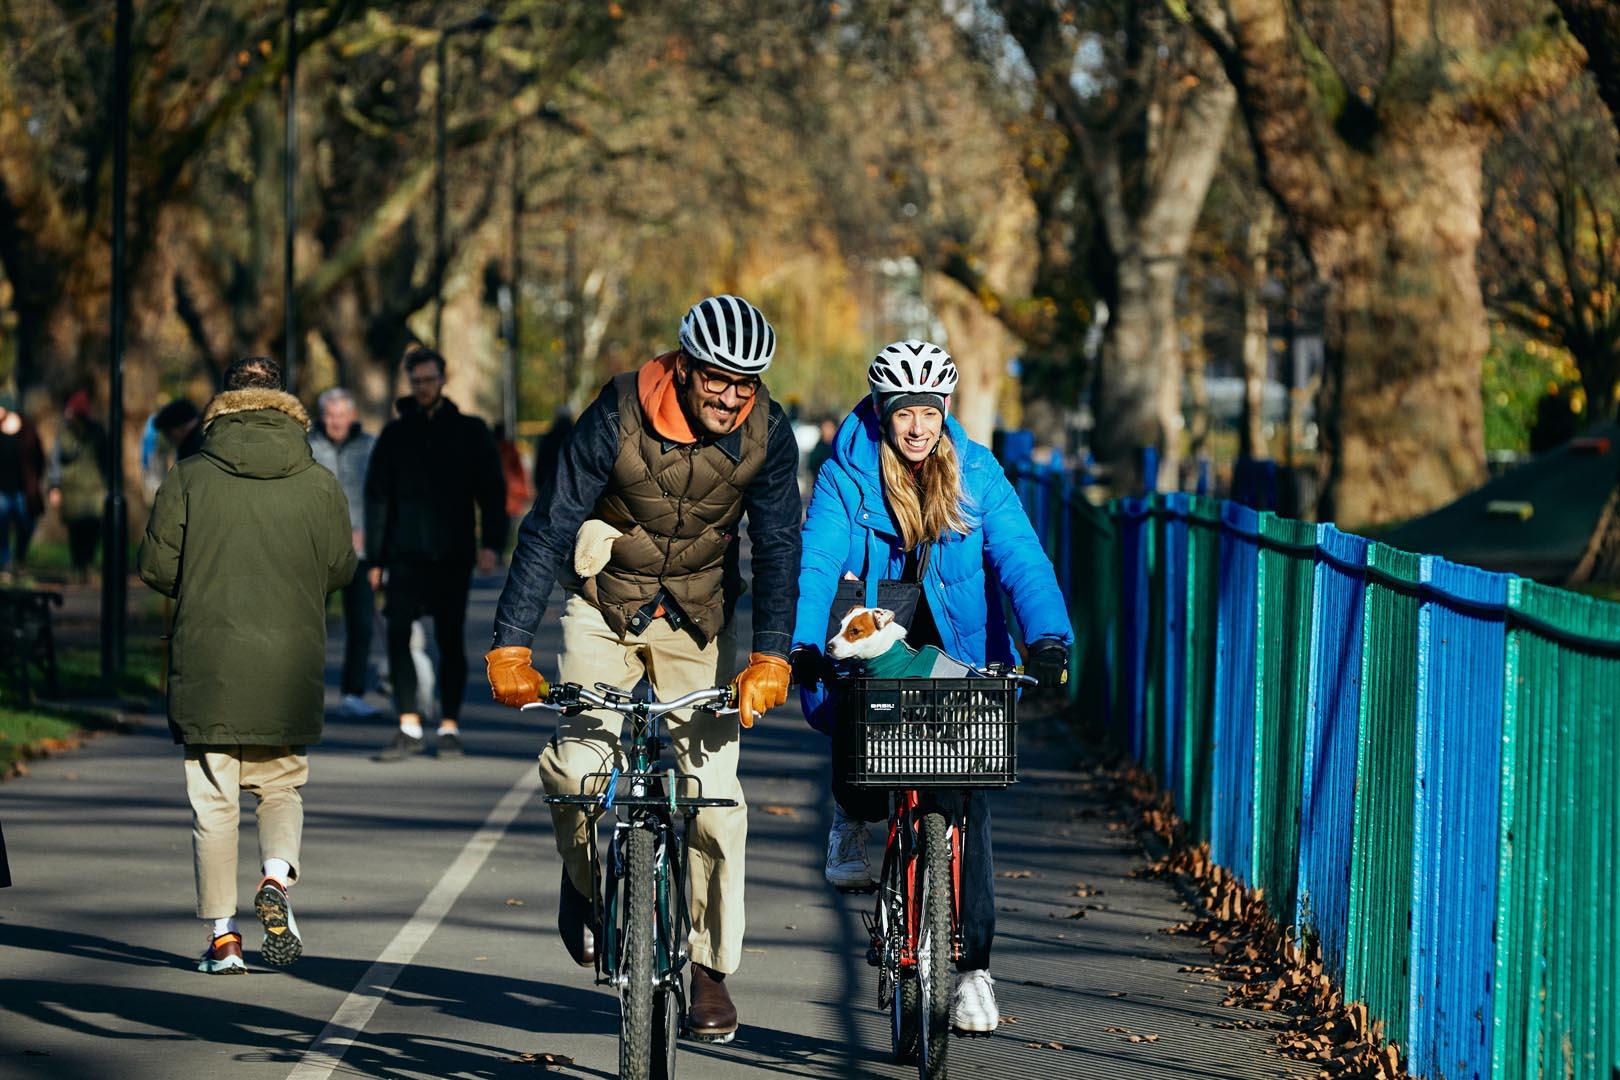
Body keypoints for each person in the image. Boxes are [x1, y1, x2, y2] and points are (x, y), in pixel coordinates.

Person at [486, 294, 803, 1044]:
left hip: (701, 616)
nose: (731, 396)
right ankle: (584, 885)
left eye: (746, 383)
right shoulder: (618, 412)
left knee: (714, 797)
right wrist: (511, 643)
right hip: (604, 602)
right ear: (686, 368)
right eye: (718, 378)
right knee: (577, 771)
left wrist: (772, 654)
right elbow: (551, 524)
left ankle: (710, 968)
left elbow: (779, 543)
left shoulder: (768, 431)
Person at [790, 339, 1072, 1035]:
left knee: (966, 801)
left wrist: (1048, 636)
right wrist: (802, 644)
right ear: (882, 411)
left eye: (928, 411)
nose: (917, 427)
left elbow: (1020, 555)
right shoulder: (846, 474)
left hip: (957, 644)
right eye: (903, 412)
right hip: (874, 628)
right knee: (857, 717)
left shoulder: (977, 472)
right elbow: (818, 559)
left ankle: (973, 971)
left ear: (945, 409)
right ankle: (852, 816)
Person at [137, 355, 356, 974]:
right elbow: (340, 567)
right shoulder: (318, 481)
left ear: (224, 402)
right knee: (281, 785)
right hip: (288, 660)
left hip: (209, 656)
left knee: (214, 801)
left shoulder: (190, 475)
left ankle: (224, 938)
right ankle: (276, 878)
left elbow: (155, 566)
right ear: (284, 401)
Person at [364, 346, 506, 760]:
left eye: (430, 379)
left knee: (449, 638)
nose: (423, 387)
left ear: (443, 379)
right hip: (404, 553)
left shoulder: (469, 431)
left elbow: (491, 491)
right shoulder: (395, 435)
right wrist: (375, 559)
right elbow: (377, 498)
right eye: (417, 381)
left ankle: (449, 725)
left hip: (451, 553)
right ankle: (408, 724)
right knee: (397, 635)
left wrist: (492, 544)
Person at [309, 388, 379, 718]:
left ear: (352, 416)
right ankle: (304, 693)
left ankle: (353, 694)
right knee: (309, 626)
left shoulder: (370, 447)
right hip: (316, 552)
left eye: (341, 415)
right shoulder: (307, 446)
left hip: (360, 553)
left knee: (361, 625)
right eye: (329, 415)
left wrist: (372, 537)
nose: (335, 422)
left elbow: (381, 497)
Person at [47, 390, 108, 582]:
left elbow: (105, 460)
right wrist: (55, 485)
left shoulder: (92, 432)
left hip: (91, 490)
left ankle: (85, 566)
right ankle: (80, 567)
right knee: (78, 532)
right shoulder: (68, 432)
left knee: (89, 531)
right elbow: (57, 459)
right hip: (77, 490)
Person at [0, 396, 44, 575]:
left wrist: (35, 480)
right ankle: (5, 562)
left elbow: (39, 458)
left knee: (26, 524)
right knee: (1, 525)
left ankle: (20, 557)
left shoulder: (27, 430)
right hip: (2, 490)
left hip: (23, 491)